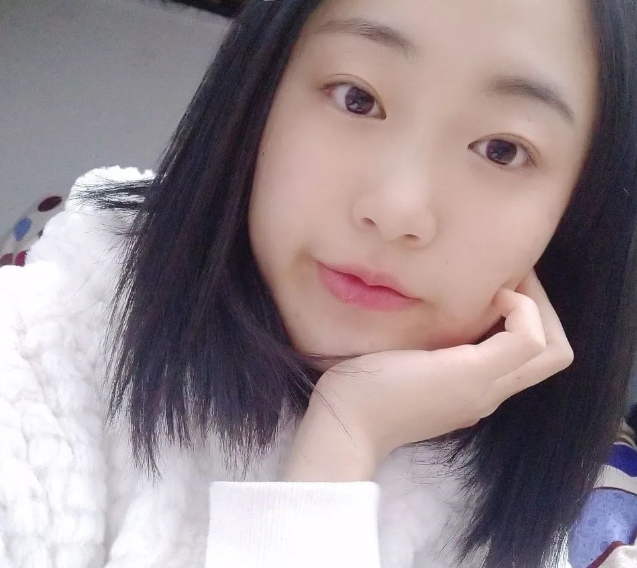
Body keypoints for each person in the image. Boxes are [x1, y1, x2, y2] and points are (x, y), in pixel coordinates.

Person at [1, 0, 636, 566]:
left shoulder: (564, 521)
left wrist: (341, 445)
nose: (396, 209)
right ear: (260, 90)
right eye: (356, 98)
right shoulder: (33, 356)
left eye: (501, 149)